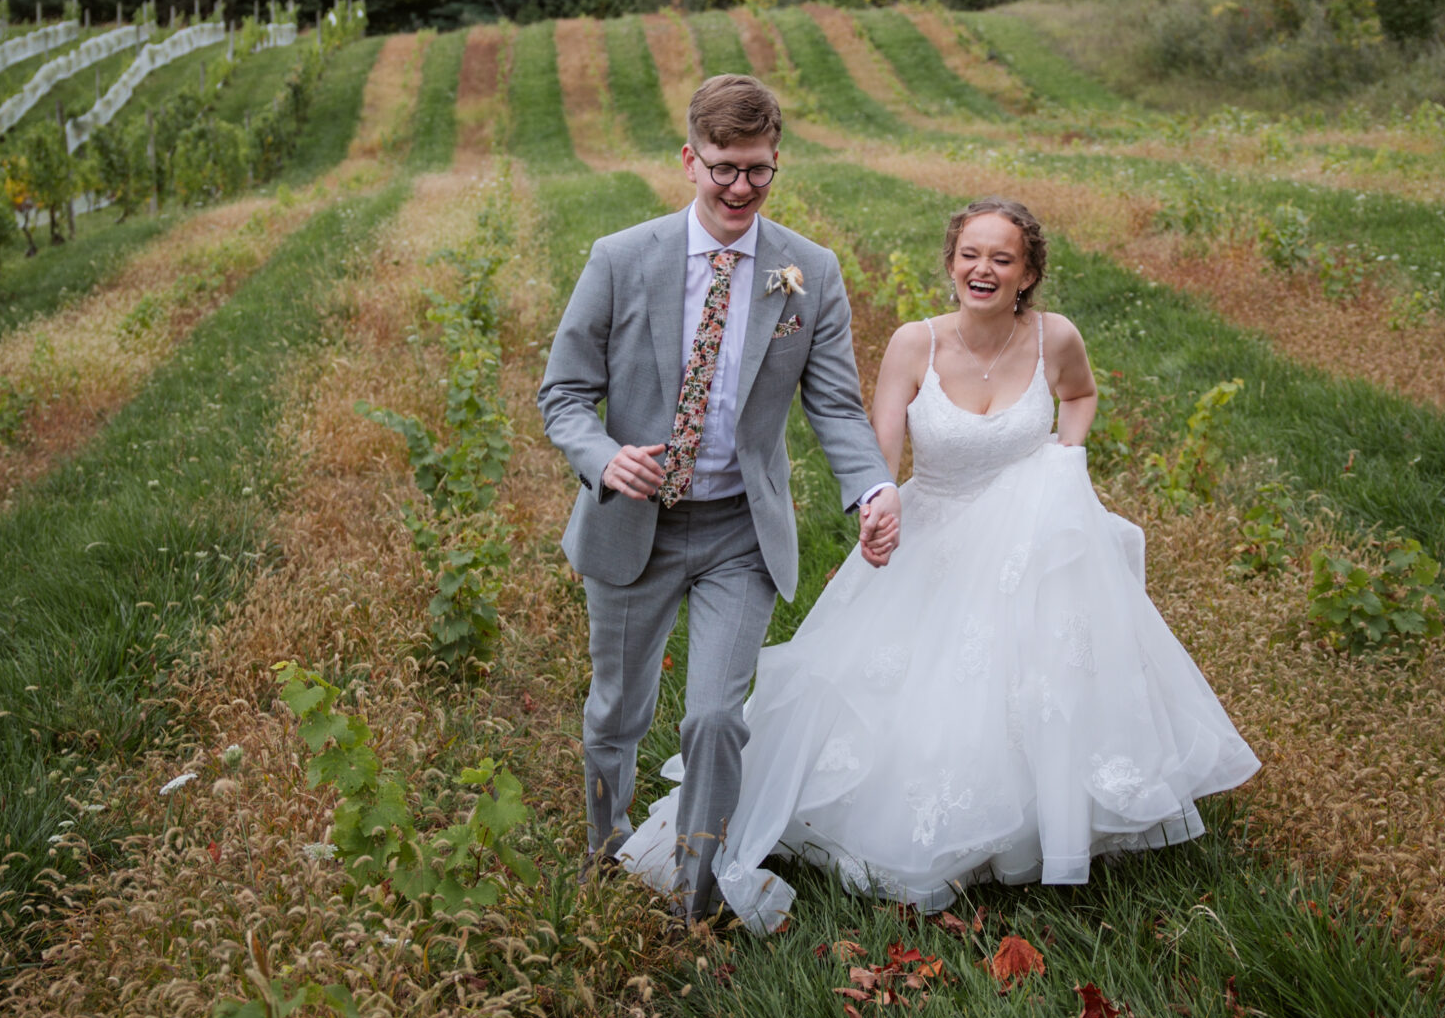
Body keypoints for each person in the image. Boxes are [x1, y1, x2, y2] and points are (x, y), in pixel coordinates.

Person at [619, 197, 1260, 928]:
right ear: (950, 262)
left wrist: (1065, 458)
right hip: (936, 528)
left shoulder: (1056, 338)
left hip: (1030, 539)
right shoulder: (913, 344)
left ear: (1027, 274)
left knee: (1040, 684)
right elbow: (878, 451)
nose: (981, 270)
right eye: (969, 255)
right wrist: (875, 505)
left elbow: (1078, 398)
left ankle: (1043, 821)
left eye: (1001, 259)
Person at [537, 74, 900, 921]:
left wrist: (872, 488)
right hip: (635, 526)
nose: (740, 188)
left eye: (759, 171)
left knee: (713, 720)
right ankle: (605, 851)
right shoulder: (621, 259)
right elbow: (562, 393)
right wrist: (603, 457)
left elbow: (837, 406)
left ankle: (696, 900)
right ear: (689, 159)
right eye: (724, 168)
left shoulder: (808, 272)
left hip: (739, 530)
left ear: (777, 164)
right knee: (615, 714)